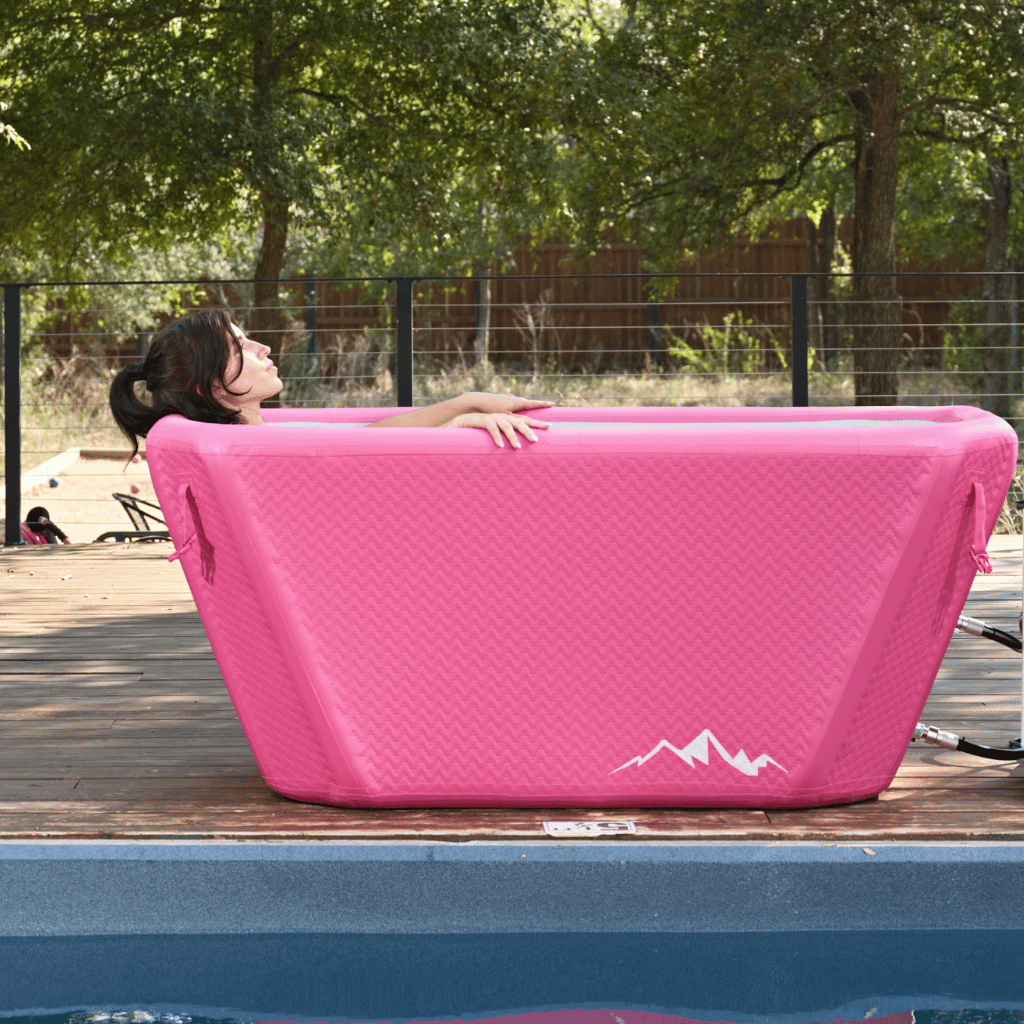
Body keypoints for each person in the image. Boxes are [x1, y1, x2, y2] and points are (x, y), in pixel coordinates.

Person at [109, 308, 553, 462]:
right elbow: (360, 463)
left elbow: (365, 440)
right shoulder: (256, 453)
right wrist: (452, 431)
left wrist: (464, 403)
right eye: (240, 347)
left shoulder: (254, 442)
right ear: (213, 390)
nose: (262, 348)